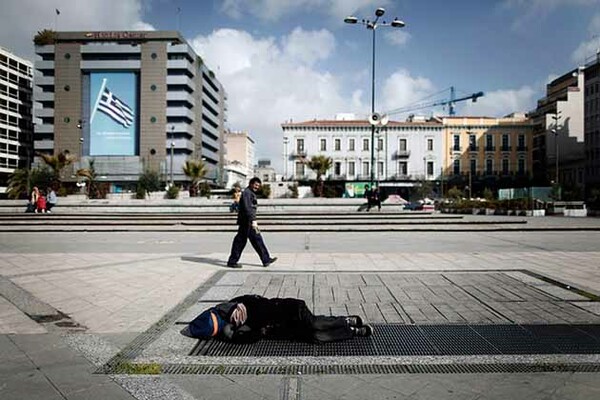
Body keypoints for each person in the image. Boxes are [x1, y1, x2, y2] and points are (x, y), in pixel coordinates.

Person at [183, 294, 373, 344]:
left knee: (314, 323)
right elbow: (250, 338)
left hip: (290, 309)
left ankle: (347, 320)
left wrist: (238, 306)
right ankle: (353, 331)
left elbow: (256, 300)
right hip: (285, 330)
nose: (235, 320)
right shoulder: (236, 330)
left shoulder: (240, 303)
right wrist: (248, 332)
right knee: (317, 337)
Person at [227, 177, 276, 268]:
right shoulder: (247, 193)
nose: (257, 187)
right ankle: (232, 261)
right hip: (247, 222)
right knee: (245, 241)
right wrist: (253, 220)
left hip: (248, 221)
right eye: (256, 185)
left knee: (254, 240)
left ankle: (265, 259)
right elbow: (247, 208)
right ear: (251, 184)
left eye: (258, 186)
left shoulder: (250, 193)